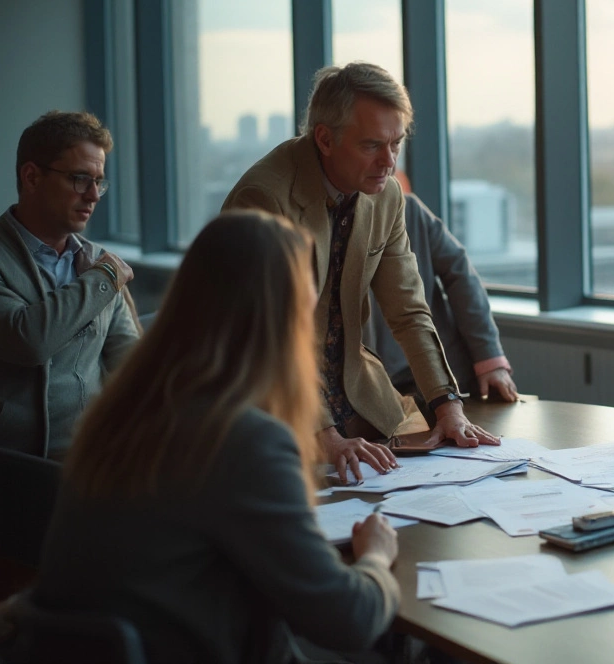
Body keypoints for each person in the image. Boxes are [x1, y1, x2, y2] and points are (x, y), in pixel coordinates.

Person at [35, 211, 400, 663]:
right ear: (281, 325)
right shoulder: (243, 439)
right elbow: (349, 619)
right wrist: (377, 558)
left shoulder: (122, 415)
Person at [222, 62, 497, 484]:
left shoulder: (385, 195)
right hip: (269, 396)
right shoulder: (264, 197)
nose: (389, 162)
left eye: (397, 143)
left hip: (357, 390)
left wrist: (447, 405)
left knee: (439, 476)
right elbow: (269, 337)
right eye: (372, 145)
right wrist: (325, 437)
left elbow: (409, 310)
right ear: (325, 139)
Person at [0, 111, 139, 458]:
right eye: (80, 179)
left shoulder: (99, 263)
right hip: (8, 467)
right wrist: (104, 279)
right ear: (32, 177)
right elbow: (28, 341)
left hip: (90, 460)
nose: (94, 195)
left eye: (99, 182)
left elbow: (128, 360)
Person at [365, 192, 518, 402]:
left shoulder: (410, 210)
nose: (388, 163)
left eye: (394, 156)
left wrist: (488, 357)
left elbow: (461, 276)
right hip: (381, 388)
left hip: (448, 374)